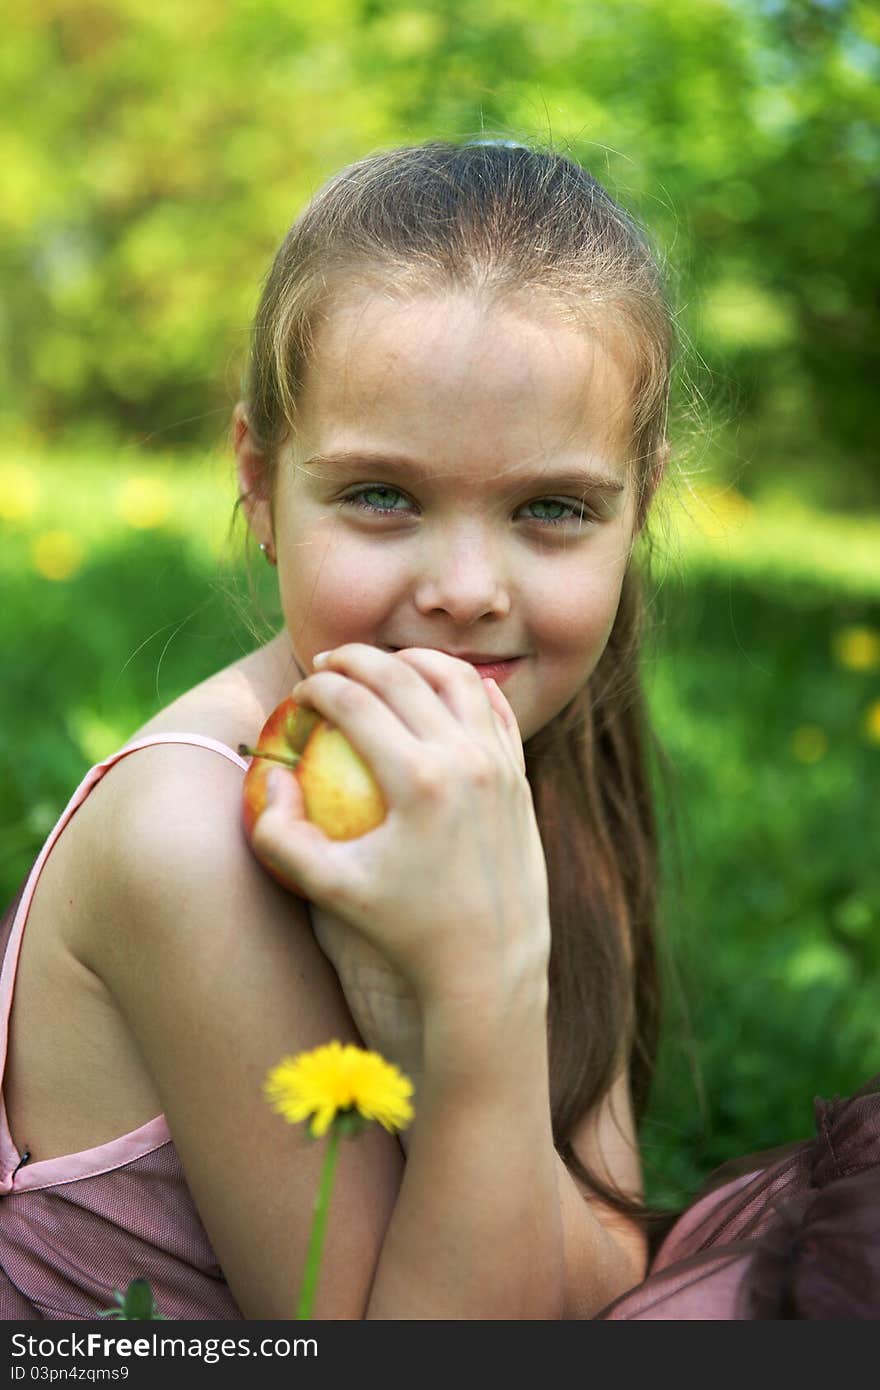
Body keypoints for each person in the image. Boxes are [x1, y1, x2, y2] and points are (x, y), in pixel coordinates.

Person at [0, 139, 672, 1320]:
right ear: (260, 483)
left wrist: (452, 1022)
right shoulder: (192, 841)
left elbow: (609, 1270)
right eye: (381, 495)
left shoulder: (529, 761)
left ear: (639, 509)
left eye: (552, 509)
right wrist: (484, 999)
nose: (465, 587)